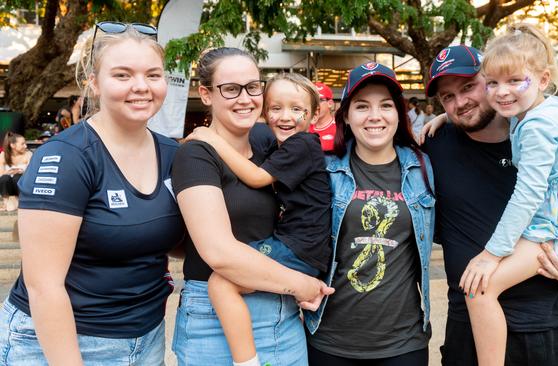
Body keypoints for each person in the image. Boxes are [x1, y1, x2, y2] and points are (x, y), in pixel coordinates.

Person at [0, 21, 186, 365]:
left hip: (147, 338)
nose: (141, 87)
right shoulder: (66, 157)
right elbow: (44, 288)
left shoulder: (172, 154)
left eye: (153, 75)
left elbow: (165, 238)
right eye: (122, 75)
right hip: (63, 341)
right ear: (94, 85)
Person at [423, 41, 558, 365]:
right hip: (472, 335)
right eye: (447, 97)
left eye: (469, 86)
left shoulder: (542, 134)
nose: (461, 102)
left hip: (556, 327)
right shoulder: (434, 146)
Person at [171, 47, 332, 366]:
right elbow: (218, 252)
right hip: (216, 320)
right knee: (221, 283)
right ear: (205, 93)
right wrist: (300, 283)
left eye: (252, 86)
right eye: (230, 88)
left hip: (282, 315)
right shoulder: (196, 154)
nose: (244, 98)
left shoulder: (270, 143)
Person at [304, 62, 435, 366]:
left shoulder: (423, 167)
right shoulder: (323, 168)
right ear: (346, 117)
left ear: (398, 114)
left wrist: (441, 118)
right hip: (329, 339)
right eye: (362, 106)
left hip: (403, 343)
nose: (375, 116)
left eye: (386, 106)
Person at [0, 132, 32, 211]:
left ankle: (20, 201)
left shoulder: (28, 154)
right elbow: (1, 174)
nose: (25, 146)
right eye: (22, 144)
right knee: (4, 178)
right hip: (8, 186)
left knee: (17, 177)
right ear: (13, 145)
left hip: (22, 186)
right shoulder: (3, 155)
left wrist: (22, 171)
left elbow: (31, 173)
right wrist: (9, 172)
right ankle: (5, 202)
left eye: (25, 143)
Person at [310, 81, 336, 152]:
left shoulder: (341, 129)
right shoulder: (303, 127)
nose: (315, 105)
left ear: (330, 103)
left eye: (319, 100)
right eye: (311, 101)